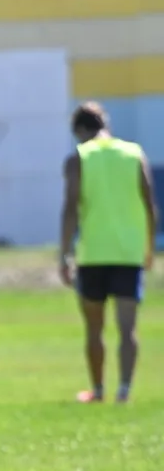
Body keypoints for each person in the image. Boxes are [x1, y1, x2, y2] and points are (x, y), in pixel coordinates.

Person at [59, 101, 157, 404]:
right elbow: (150, 206)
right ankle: (124, 391)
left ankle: (98, 390)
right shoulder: (134, 153)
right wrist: (149, 248)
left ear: (79, 130)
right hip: (128, 252)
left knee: (94, 328)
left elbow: (71, 208)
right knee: (128, 328)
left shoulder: (79, 157)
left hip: (93, 253)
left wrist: (64, 254)